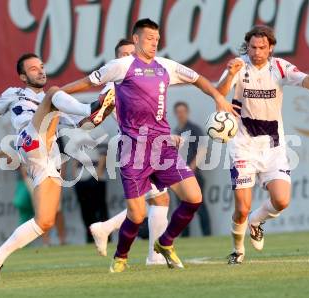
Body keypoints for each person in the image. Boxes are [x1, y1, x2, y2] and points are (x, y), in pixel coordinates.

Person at [60, 18, 238, 272]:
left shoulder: (165, 66)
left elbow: (198, 79)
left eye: (156, 39)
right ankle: (121, 257)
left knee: (194, 198)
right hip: (133, 151)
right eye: (148, 39)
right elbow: (88, 82)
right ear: (136, 39)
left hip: (163, 148)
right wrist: (57, 96)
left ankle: (165, 243)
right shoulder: (122, 66)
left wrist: (219, 98)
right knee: (137, 214)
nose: (154, 43)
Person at [0, 53, 114, 280]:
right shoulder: (14, 94)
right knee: (54, 93)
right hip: (29, 141)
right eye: (33, 68)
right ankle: (91, 104)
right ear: (23, 76)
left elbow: (84, 124)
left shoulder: (56, 102)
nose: (40, 71)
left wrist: (107, 108)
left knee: (45, 221)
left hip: (45, 159)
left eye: (41, 66)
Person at [217, 25, 309, 264]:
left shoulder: (280, 67)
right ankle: (238, 251)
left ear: (271, 48)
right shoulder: (238, 66)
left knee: (281, 200)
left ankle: (256, 222)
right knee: (242, 207)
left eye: (262, 47)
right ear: (247, 46)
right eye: (252, 47)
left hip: (273, 146)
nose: (257, 51)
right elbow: (219, 96)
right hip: (243, 145)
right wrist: (229, 74)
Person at [88, 39, 170, 265]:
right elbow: (98, 111)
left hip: (148, 145)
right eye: (123, 54)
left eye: (131, 54)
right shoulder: (113, 85)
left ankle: (152, 254)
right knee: (154, 200)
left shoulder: (142, 80)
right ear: (116, 60)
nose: (128, 57)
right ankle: (109, 229)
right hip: (134, 147)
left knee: (158, 199)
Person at [173, 101, 211, 236]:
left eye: (183, 111)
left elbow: (202, 149)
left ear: (187, 112)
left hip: (193, 175)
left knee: (199, 206)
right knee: (182, 208)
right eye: (178, 112)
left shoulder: (194, 129)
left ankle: (207, 236)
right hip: (179, 176)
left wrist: (192, 167)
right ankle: (185, 236)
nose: (181, 114)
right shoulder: (177, 131)